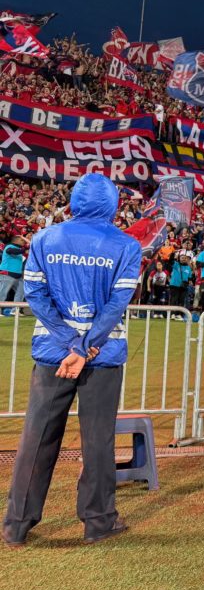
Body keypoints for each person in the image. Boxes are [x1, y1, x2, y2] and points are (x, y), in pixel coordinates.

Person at [2, 173, 141, 547]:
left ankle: (16, 525)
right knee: (98, 440)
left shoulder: (44, 238)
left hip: (54, 353)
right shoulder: (126, 245)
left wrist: (69, 343)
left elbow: (35, 294)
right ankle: (98, 521)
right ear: (112, 204)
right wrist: (84, 347)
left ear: (74, 201)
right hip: (102, 354)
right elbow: (117, 304)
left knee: (38, 436)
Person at [0, 234, 28, 311]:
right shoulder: (9, 246)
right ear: (16, 240)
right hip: (7, 274)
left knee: (21, 291)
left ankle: (15, 311)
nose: (23, 242)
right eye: (22, 240)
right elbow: (10, 251)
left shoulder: (19, 249)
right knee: (2, 293)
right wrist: (23, 250)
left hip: (18, 276)